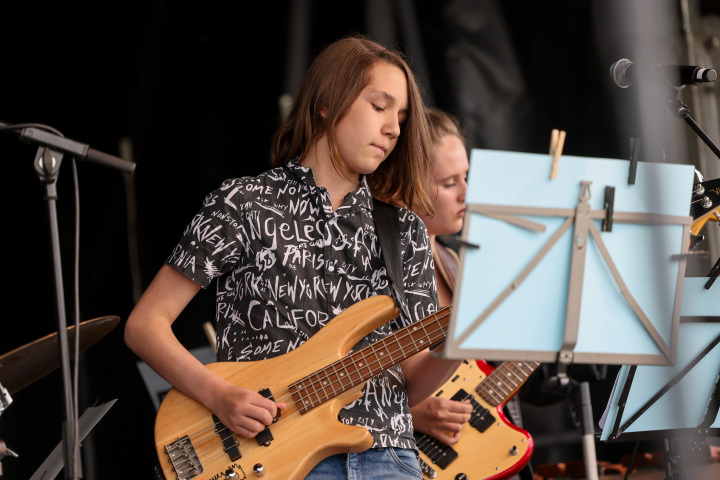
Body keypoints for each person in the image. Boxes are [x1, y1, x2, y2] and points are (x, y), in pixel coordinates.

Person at [124, 34, 464, 480]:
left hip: (387, 455)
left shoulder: (405, 230)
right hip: (273, 456)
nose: (394, 129)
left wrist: (464, 340)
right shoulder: (244, 203)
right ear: (326, 102)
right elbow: (145, 325)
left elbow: (412, 382)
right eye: (379, 107)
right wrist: (220, 395)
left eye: (401, 117)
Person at [406, 107, 473, 445]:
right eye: (449, 183)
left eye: (465, 177)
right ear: (409, 185)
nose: (466, 192)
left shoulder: (455, 264)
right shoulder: (382, 264)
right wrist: (409, 416)